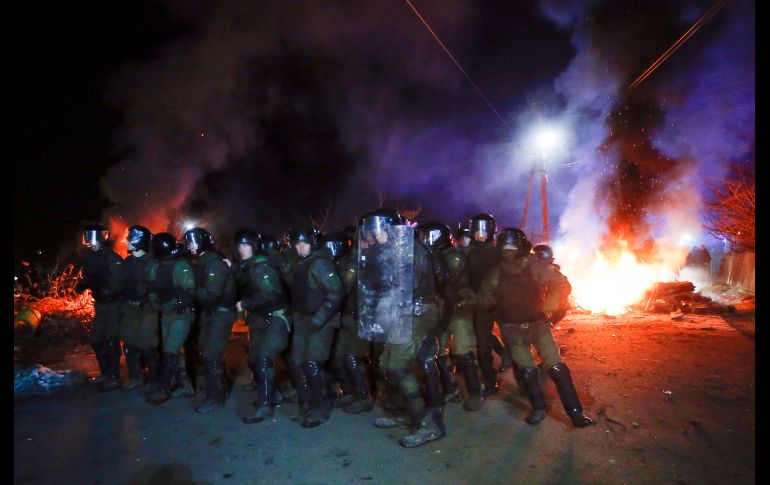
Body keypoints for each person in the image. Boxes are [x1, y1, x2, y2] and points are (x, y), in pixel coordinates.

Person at [477, 228, 595, 428]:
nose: (508, 250)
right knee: (528, 371)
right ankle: (538, 408)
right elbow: (485, 300)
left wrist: (552, 300)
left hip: (538, 325)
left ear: (521, 246)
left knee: (556, 367)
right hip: (512, 330)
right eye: (505, 246)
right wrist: (470, 298)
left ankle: (576, 413)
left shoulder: (534, 265)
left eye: (512, 245)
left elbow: (562, 284)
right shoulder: (496, 273)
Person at [361, 209, 445, 448]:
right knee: (386, 365)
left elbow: (405, 287)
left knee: (397, 366)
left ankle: (427, 426)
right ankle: (399, 412)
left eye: (378, 231)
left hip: (416, 312)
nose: (375, 236)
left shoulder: (409, 250)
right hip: (401, 311)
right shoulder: (392, 249)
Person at [421, 222, 484, 412]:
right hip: (441, 310)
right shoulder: (435, 255)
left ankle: (475, 392)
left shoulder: (454, 257)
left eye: (428, 236)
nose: (425, 240)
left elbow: (448, 279)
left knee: (463, 352)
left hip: (458, 309)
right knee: (439, 354)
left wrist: (432, 258)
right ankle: (451, 389)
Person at [286, 224, 344, 428]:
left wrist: (319, 319)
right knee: (295, 362)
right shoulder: (300, 263)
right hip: (303, 320)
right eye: (297, 244)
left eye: (304, 243)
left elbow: (336, 292)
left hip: (322, 320)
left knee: (312, 363)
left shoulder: (320, 264)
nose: (300, 247)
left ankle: (318, 409)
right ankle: (305, 404)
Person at [232, 229, 292, 424]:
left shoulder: (262, 268)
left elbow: (272, 294)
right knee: (254, 359)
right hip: (261, 320)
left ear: (254, 247)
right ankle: (272, 394)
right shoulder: (249, 267)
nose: (242, 249)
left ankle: (265, 405)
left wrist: (246, 304)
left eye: (246, 245)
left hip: (275, 318)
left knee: (264, 359)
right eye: (240, 245)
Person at [183, 227, 237, 413]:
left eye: (193, 242)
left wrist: (189, 290)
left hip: (220, 313)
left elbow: (212, 294)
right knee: (206, 352)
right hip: (210, 313)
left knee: (211, 354)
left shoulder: (214, 263)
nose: (190, 246)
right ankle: (219, 385)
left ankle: (215, 397)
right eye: (188, 242)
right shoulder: (202, 261)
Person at [322, 231, 374, 414]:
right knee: (338, 358)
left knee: (352, 358)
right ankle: (351, 392)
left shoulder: (352, 263)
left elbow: (342, 288)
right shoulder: (343, 262)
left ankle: (363, 396)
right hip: (347, 317)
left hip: (359, 317)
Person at [145, 233, 196, 406]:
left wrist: (181, 302)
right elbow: (151, 286)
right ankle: (185, 385)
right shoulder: (156, 266)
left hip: (180, 315)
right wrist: (154, 300)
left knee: (170, 352)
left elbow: (189, 289)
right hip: (165, 313)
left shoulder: (181, 266)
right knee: (172, 350)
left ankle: (163, 389)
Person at [465, 213, 513, 397]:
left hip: (501, 303)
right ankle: (490, 381)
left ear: (491, 231)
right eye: (477, 230)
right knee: (483, 344)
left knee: (514, 340)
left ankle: (524, 379)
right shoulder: (468, 252)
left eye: (484, 230)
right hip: (481, 304)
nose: (480, 234)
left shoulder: (498, 252)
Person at [77, 223, 125, 392]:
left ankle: (114, 376)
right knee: (97, 341)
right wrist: (82, 285)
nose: (92, 242)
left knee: (112, 341)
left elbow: (120, 281)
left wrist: (107, 289)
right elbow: (89, 276)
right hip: (100, 305)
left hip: (113, 305)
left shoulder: (112, 258)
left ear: (102, 238)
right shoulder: (90, 258)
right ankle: (105, 372)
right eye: (89, 238)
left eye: (95, 238)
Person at [118, 225, 159, 392]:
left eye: (130, 239)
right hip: (130, 309)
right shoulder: (127, 262)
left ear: (139, 241)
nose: (126, 241)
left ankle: (153, 380)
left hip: (147, 310)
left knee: (147, 346)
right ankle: (136, 377)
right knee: (129, 346)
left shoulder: (152, 262)